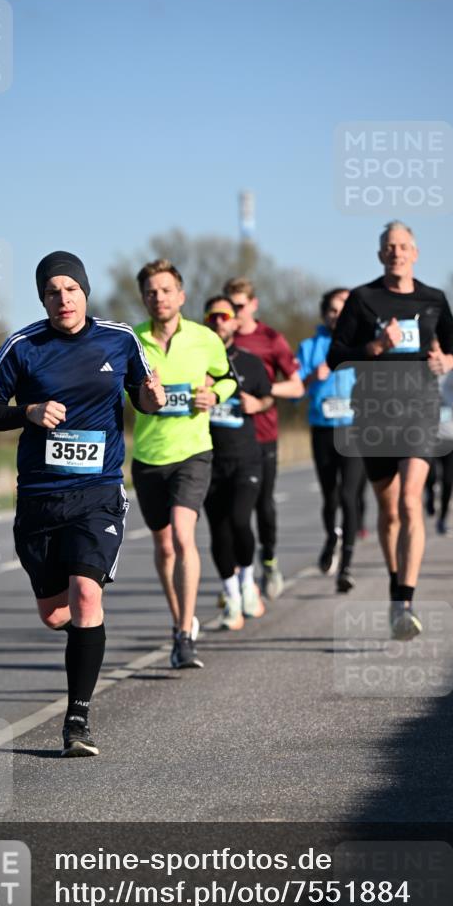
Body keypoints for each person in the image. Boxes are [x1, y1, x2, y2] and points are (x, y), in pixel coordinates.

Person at [0, 251, 165, 757]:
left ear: (85, 292)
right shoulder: (23, 346)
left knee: (86, 594)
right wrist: (29, 412)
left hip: (98, 492)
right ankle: (84, 636)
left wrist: (153, 397)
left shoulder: (119, 339)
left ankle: (76, 722)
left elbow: (145, 399)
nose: (64, 299)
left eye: (71, 289)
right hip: (40, 498)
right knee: (56, 614)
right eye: (53, 292)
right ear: (43, 299)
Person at [327, 221, 453, 640]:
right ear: (379, 254)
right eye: (389, 246)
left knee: (409, 501)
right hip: (373, 414)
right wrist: (374, 347)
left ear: (415, 253)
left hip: (420, 411)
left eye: (403, 246)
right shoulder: (362, 299)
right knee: (388, 513)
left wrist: (449, 361)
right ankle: (394, 585)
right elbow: (335, 356)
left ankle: (406, 600)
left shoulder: (433, 298)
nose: (396, 252)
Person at [132, 260, 237, 668]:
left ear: (181, 296)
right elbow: (121, 389)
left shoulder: (204, 338)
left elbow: (227, 378)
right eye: (151, 292)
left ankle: (184, 636)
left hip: (193, 451)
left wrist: (216, 396)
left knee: (182, 534)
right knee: (164, 546)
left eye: (166, 290)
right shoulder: (132, 340)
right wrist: (145, 394)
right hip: (148, 456)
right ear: (143, 299)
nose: (158, 297)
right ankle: (181, 620)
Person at [223, 277, 303, 600]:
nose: (234, 313)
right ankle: (235, 577)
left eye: (239, 306)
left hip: (262, 434)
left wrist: (262, 395)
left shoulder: (270, 339)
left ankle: (268, 558)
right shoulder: (215, 339)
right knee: (231, 514)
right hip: (227, 439)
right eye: (229, 307)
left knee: (263, 505)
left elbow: (297, 386)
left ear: (253, 305)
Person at [202, 295, 274, 628]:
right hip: (208, 458)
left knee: (240, 521)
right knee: (218, 530)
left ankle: (247, 582)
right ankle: (231, 596)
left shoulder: (250, 362)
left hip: (246, 457)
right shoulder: (196, 361)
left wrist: (257, 405)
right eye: (213, 316)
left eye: (224, 316)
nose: (219, 321)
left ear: (234, 321)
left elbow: (268, 397)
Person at [296, 287, 366, 592]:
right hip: (323, 429)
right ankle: (331, 538)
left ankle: (346, 566)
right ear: (324, 314)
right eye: (333, 310)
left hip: (354, 430)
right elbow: (295, 390)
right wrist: (314, 376)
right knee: (330, 497)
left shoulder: (362, 344)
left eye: (343, 310)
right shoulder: (309, 347)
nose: (338, 316)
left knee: (349, 496)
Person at [424, 366, 453, 536]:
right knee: (430, 475)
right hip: (428, 436)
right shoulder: (421, 372)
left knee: (449, 481)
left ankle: (443, 519)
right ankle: (430, 494)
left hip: (451, 436)